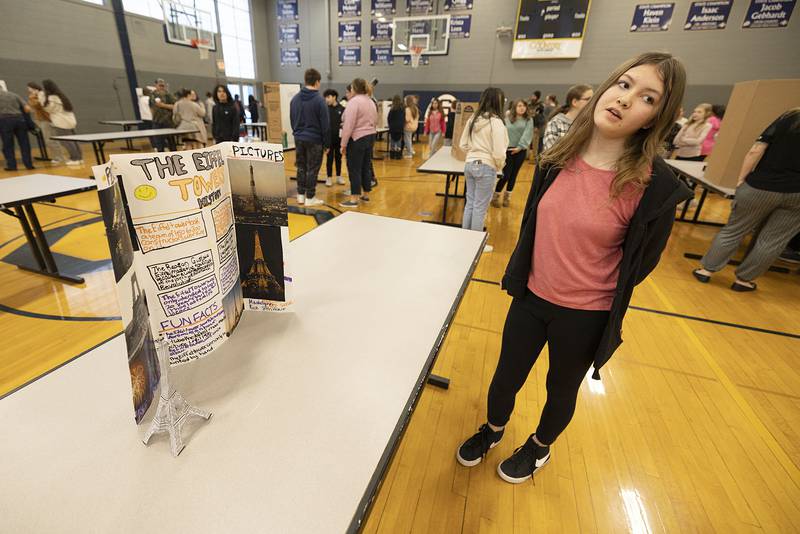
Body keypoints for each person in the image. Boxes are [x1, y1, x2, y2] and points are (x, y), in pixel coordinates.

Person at [456, 52, 692, 484]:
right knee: (505, 377)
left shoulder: (654, 187)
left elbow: (642, 264)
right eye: (623, 84)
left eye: (646, 97)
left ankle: (539, 446)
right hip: (531, 297)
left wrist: (587, 285)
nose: (624, 99)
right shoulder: (557, 156)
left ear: (654, 118)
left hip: (585, 314)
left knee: (560, 390)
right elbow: (532, 225)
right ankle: (492, 430)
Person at [692, 108, 800, 291]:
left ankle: (706, 271)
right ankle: (743, 281)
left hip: (760, 186)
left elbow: (756, 150)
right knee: (773, 240)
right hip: (797, 195)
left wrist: (741, 181)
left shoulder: (789, 118)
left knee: (734, 231)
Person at [458, 87, 508, 253]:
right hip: (486, 166)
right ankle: (476, 245)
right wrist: (499, 165)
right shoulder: (496, 123)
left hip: (469, 164)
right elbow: (499, 152)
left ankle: (465, 240)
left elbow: (462, 144)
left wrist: (474, 152)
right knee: (480, 207)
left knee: (470, 204)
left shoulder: (473, 118)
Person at [289, 68, 329, 207]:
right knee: (312, 169)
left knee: (301, 167)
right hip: (315, 140)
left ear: (305, 80)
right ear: (317, 82)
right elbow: (325, 125)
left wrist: (298, 132)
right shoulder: (319, 100)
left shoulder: (295, 99)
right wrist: (327, 144)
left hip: (299, 138)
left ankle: (300, 195)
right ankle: (310, 197)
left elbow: (292, 119)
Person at [339, 78, 377, 208]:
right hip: (370, 136)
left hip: (357, 139)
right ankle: (366, 194)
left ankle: (354, 198)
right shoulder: (371, 101)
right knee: (366, 166)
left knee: (354, 168)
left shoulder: (354, 102)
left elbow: (348, 125)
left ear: (354, 88)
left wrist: (343, 144)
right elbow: (375, 120)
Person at [493, 99, 533, 208]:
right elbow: (501, 133)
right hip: (507, 150)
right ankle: (495, 195)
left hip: (520, 151)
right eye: (519, 105)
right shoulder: (507, 119)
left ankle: (507, 197)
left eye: (524, 106)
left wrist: (520, 147)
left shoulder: (529, 120)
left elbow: (527, 134)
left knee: (513, 175)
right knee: (505, 175)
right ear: (514, 107)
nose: (522, 108)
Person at [42, 79, 82, 165]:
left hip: (61, 122)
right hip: (70, 121)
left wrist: (42, 100)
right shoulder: (62, 96)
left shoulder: (51, 98)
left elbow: (48, 109)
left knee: (66, 141)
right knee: (74, 140)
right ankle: (79, 158)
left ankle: (75, 159)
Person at [542, 84, 593, 151]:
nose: (593, 102)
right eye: (588, 99)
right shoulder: (556, 123)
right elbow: (550, 153)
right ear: (574, 102)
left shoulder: (592, 123)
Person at [0, 85, 34, 171]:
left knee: (8, 145)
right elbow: (27, 109)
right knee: (24, 143)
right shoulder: (14, 95)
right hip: (20, 120)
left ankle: (12, 166)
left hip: (5, 121)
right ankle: (29, 165)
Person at [26, 82, 59, 163]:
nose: (28, 90)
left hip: (46, 119)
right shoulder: (36, 96)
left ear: (34, 88)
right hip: (42, 119)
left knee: (50, 140)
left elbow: (38, 105)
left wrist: (33, 97)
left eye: (29, 88)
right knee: (49, 140)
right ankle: (57, 157)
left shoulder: (41, 95)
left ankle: (58, 158)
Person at [323, 89, 345, 186]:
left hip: (339, 139)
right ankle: (329, 177)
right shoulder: (325, 109)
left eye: (328, 97)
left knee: (339, 158)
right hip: (329, 140)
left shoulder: (342, 109)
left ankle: (339, 176)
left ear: (334, 97)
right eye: (325, 97)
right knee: (329, 159)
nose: (326, 99)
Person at [150, 78, 177, 152]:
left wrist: (163, 105)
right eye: (160, 85)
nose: (161, 87)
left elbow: (175, 106)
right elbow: (151, 107)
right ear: (155, 85)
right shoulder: (152, 95)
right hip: (157, 121)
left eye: (163, 85)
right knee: (159, 142)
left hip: (168, 121)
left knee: (171, 141)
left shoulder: (168, 95)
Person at [387, 95, 405, 159]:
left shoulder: (392, 109)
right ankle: (398, 155)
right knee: (398, 141)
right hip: (400, 127)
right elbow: (403, 118)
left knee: (392, 140)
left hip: (393, 127)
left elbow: (389, 118)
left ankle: (392, 155)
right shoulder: (402, 109)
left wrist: (390, 125)